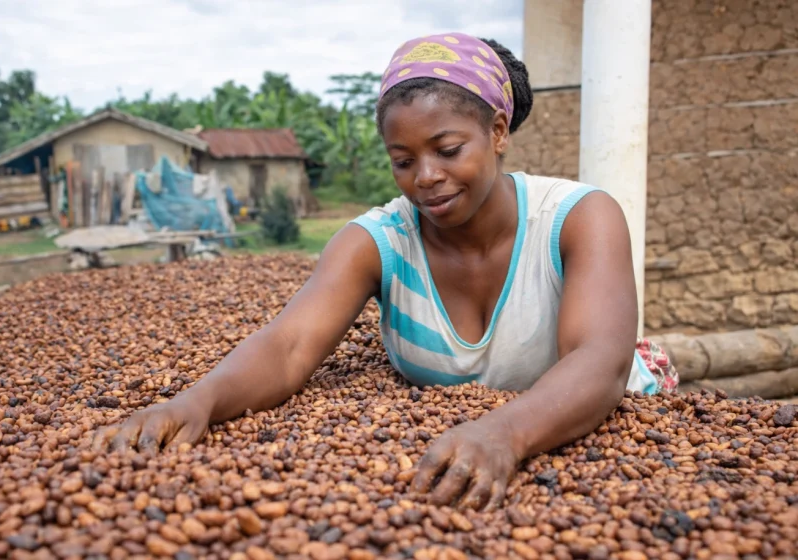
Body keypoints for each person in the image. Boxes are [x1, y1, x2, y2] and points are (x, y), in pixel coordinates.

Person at [96, 32, 678, 511]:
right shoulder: (378, 242)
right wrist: (197, 402)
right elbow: (291, 344)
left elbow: (600, 362)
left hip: (593, 428)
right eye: (403, 161)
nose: (425, 176)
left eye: (448, 150)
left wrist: (504, 432)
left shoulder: (578, 217)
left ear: (498, 132)